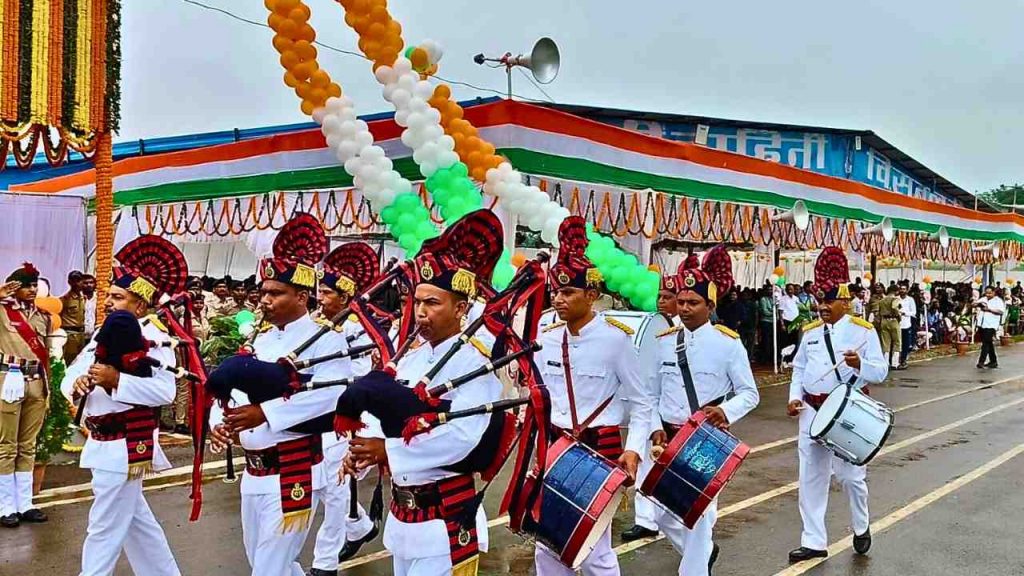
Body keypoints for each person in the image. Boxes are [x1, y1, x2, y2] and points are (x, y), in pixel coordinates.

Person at [344, 211, 506, 576]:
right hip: (404, 524)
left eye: (433, 303)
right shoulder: (410, 360)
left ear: (462, 308)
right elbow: (384, 413)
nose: (420, 312)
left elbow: (461, 437)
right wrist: (364, 447)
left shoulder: (474, 364)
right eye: (417, 302)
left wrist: (388, 450)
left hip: (444, 525)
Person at [208, 214, 351, 576]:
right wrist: (220, 420)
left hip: (294, 471)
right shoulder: (260, 338)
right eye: (264, 292)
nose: (265, 300)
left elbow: (331, 397)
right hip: (253, 475)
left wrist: (265, 414)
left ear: (302, 296)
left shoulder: (328, 340)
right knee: (270, 565)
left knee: (268, 570)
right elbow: (232, 389)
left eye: (276, 293)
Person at [534, 216, 654, 576]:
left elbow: (641, 401)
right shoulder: (547, 335)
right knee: (547, 542)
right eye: (555, 292)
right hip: (556, 447)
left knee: (594, 547)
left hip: (599, 448)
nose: (559, 299)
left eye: (568, 292)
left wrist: (632, 449)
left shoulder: (616, 339)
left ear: (592, 295)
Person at [60, 237, 186, 575]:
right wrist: (75, 385)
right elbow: (73, 370)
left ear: (140, 306)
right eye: (109, 296)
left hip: (127, 444)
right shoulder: (106, 330)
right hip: (101, 443)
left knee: (103, 527)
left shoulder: (154, 338)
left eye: (117, 297)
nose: (108, 303)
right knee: (136, 525)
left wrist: (116, 380)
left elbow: (164, 392)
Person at [650, 249, 759, 576]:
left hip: (704, 438)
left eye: (692, 303)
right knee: (660, 514)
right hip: (668, 437)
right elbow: (652, 392)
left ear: (710, 307)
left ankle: (695, 569)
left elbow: (749, 393)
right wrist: (655, 425)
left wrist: (724, 411)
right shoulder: (664, 341)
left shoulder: (728, 344)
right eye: (681, 302)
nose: (684, 308)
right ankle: (701, 554)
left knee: (698, 515)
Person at [786, 248, 888, 563]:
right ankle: (814, 541)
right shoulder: (810, 332)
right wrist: (794, 396)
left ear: (845, 301)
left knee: (850, 477)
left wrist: (860, 365)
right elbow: (800, 368)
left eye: (829, 302)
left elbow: (881, 372)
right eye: (820, 301)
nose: (822, 307)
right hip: (813, 411)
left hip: (847, 413)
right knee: (811, 477)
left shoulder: (863, 331)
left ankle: (860, 525)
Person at [307, 242, 379, 575]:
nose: (320, 298)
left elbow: (363, 373)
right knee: (322, 483)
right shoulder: (314, 323)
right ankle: (359, 524)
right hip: (314, 413)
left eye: (327, 293)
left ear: (345, 298)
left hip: (344, 415)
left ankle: (325, 560)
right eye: (319, 291)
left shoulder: (357, 328)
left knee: (333, 485)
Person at [623, 270, 681, 542]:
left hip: (679, 412)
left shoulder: (687, 330)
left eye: (668, 297)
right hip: (652, 405)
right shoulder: (654, 327)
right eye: (659, 296)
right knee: (644, 462)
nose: (661, 301)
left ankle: (692, 534)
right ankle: (645, 520)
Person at [0, 263, 52, 528]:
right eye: (27, 285)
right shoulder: (2, 311)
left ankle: (25, 503)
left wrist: (49, 390)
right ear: (14, 287)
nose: (33, 290)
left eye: (35, 285)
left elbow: (48, 355)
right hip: (8, 381)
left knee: (28, 445)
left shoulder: (43, 316)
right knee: (6, 446)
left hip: (36, 382)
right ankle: (5, 505)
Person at [61, 270, 90, 363]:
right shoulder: (64, 299)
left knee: (81, 361)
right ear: (69, 282)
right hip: (70, 335)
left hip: (82, 335)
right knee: (70, 361)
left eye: (79, 280)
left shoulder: (82, 298)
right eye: (74, 280)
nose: (77, 283)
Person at [974, 285, 1004, 369]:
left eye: (990, 293)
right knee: (988, 343)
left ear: (994, 292)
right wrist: (977, 304)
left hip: (991, 324)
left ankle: (981, 361)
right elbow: (974, 304)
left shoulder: (998, 301)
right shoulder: (983, 299)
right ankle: (993, 361)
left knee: (985, 343)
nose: (988, 295)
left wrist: (989, 309)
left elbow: (1001, 311)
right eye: (986, 293)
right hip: (982, 324)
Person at [877, 285, 902, 368]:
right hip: (893, 320)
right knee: (897, 341)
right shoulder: (895, 299)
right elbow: (894, 307)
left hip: (884, 320)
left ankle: (885, 362)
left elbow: (879, 311)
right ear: (896, 291)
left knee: (885, 342)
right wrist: (898, 315)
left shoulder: (882, 300)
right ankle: (895, 363)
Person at [897, 283, 916, 369]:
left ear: (907, 290)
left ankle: (903, 360)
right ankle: (895, 361)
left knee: (906, 344)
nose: (902, 290)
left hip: (906, 324)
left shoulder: (910, 300)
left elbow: (913, 312)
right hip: (897, 324)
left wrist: (905, 313)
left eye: (904, 289)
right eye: (901, 289)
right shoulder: (896, 299)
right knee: (897, 344)